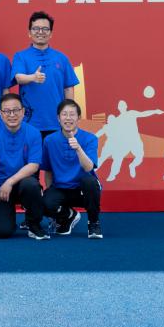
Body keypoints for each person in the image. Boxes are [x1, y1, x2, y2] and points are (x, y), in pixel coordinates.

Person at [0, 92, 49, 240]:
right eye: (7, 111)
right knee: (2, 232)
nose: (12, 115)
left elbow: (34, 166)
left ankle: (33, 224)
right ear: (0, 114)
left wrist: (9, 182)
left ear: (23, 112)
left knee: (31, 185)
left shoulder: (33, 133)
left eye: (16, 110)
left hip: (22, 184)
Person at [41, 99, 102, 239]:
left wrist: (78, 148)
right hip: (61, 188)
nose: (68, 118)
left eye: (72, 114)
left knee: (90, 182)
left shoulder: (90, 138)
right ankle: (68, 216)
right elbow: (48, 170)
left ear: (78, 118)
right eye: (64, 114)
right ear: (58, 118)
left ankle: (94, 223)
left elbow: (88, 167)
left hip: (82, 190)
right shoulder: (49, 140)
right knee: (43, 202)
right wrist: (50, 198)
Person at [12, 11, 79, 136]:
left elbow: (68, 88)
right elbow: (18, 77)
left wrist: (69, 116)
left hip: (57, 122)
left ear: (51, 33)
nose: (40, 32)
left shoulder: (61, 58)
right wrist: (33, 77)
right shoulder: (21, 56)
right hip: (29, 122)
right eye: (36, 28)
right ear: (29, 32)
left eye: (45, 29)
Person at [95, 99, 164, 181]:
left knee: (139, 157)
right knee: (118, 157)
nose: (122, 107)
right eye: (120, 106)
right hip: (125, 143)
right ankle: (112, 174)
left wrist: (155, 111)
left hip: (136, 141)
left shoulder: (131, 113)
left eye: (123, 105)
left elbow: (143, 114)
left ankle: (132, 166)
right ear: (118, 108)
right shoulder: (117, 119)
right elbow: (107, 129)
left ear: (126, 106)